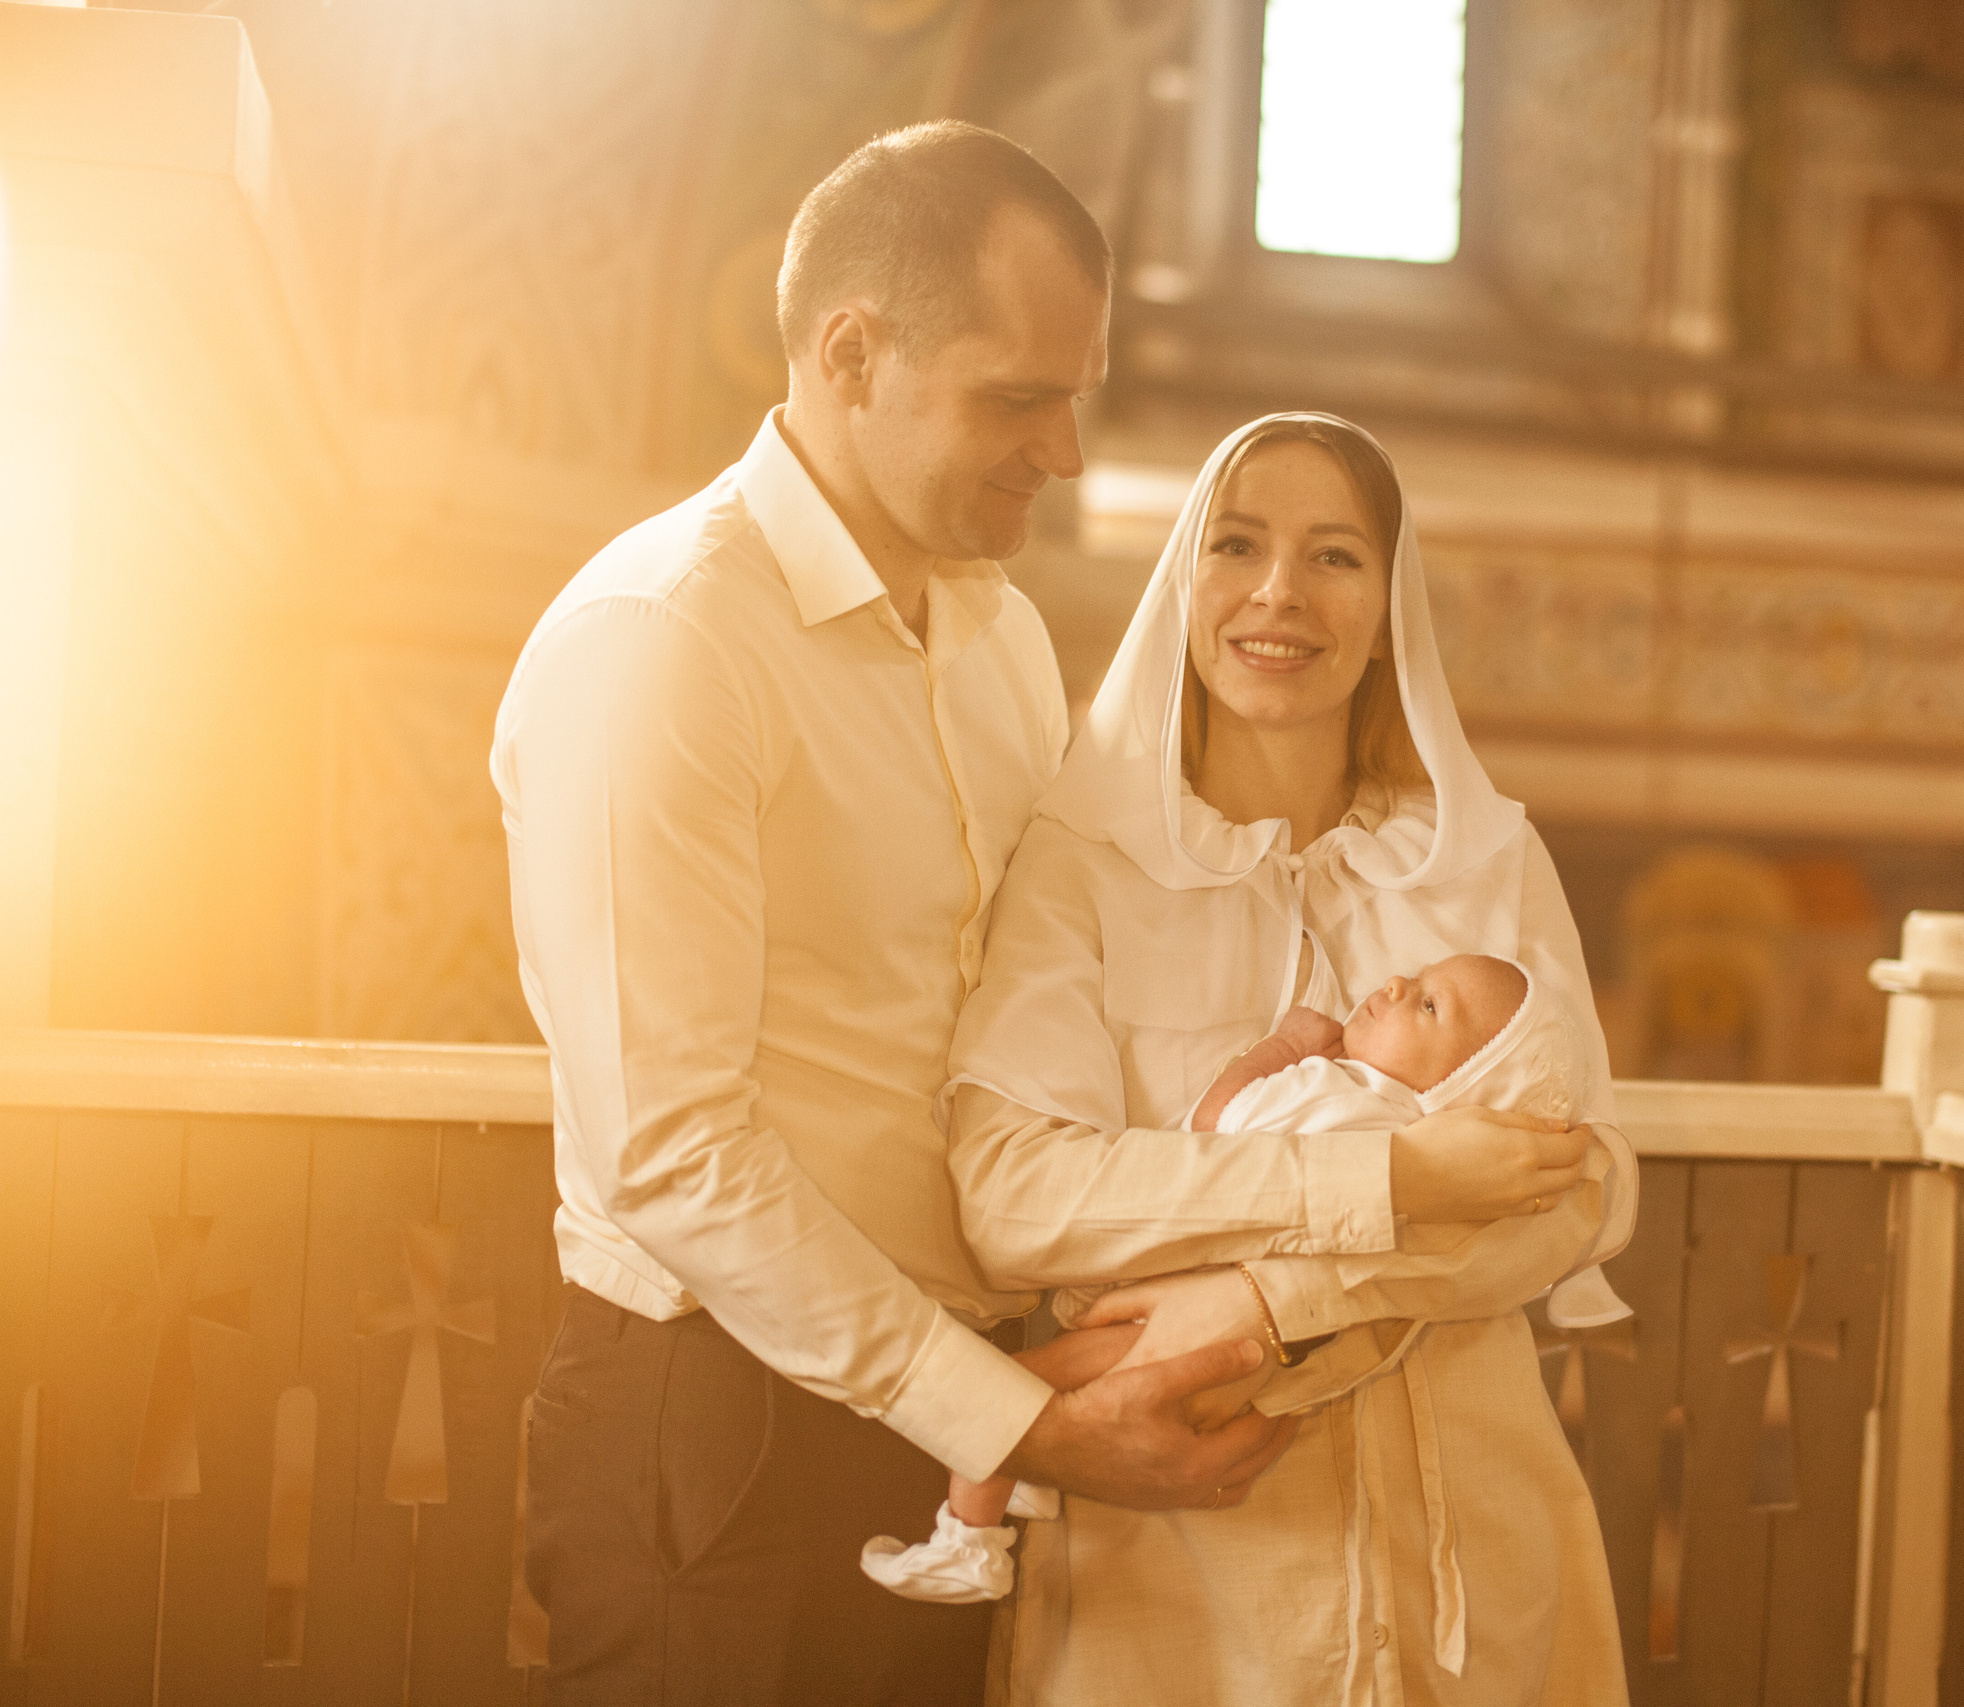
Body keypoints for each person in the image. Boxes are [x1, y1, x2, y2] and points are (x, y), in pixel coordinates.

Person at [489, 123, 1312, 1704]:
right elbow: (672, 1148)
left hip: (957, 1411)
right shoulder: (662, 642)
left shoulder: (997, 637)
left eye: (1075, 395)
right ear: (851, 354)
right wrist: (1011, 1418)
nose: (1063, 450)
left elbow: (1050, 1003)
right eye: (1018, 395)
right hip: (715, 1416)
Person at [944, 412, 1637, 1705]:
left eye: (1334, 556)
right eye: (1239, 544)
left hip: (1476, 1554)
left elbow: (1586, 1186)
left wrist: (1263, 1302)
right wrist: (1391, 1181)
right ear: (1183, 580)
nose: (1280, 593)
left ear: (1389, 604)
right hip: (1185, 1569)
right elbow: (1012, 1197)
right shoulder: (1084, 863)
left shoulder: (1484, 859)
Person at [862, 953, 1628, 1606]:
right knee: (1029, 1403)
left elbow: (1217, 1124)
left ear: (1462, 1089)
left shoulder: (1337, 1100)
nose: (1395, 982)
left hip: (1163, 1334)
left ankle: (966, 1541)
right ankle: (1011, 1499)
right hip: (1235, 1358)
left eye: (1429, 1004)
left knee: (1002, 1400)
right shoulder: (1429, 1151)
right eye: (1419, 977)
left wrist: (1284, 1046)